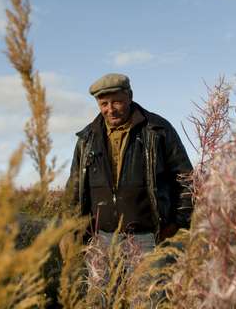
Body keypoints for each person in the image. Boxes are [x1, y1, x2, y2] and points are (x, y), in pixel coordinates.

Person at [66, 73, 193, 252]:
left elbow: (186, 180)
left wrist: (177, 226)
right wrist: (70, 231)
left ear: (130, 96)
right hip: (100, 239)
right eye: (104, 104)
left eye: (116, 102)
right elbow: (74, 189)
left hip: (150, 239)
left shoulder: (158, 130)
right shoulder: (87, 138)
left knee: (148, 282)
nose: (110, 109)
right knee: (102, 282)